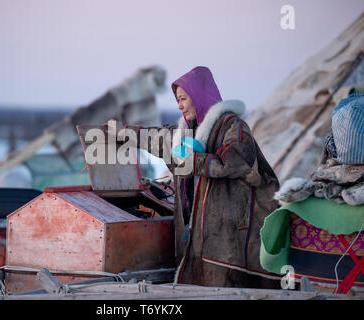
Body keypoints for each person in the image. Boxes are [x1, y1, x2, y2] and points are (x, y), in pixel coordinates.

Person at [112, 66, 281, 288]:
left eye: (183, 98)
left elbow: (236, 163)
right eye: (177, 100)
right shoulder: (184, 133)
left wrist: (195, 160)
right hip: (198, 234)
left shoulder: (233, 128)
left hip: (229, 233)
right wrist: (123, 132)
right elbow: (156, 138)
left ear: (199, 95)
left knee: (228, 287)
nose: (180, 105)